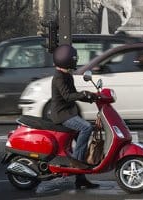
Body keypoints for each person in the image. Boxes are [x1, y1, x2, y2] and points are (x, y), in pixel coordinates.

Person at [50, 44, 99, 189]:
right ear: (66, 59)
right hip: (62, 115)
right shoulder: (59, 77)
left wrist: (92, 97)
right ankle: (76, 163)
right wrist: (83, 94)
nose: (75, 60)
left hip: (69, 112)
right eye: (73, 58)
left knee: (84, 138)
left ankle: (80, 178)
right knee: (86, 127)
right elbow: (67, 96)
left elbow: (74, 94)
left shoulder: (66, 75)